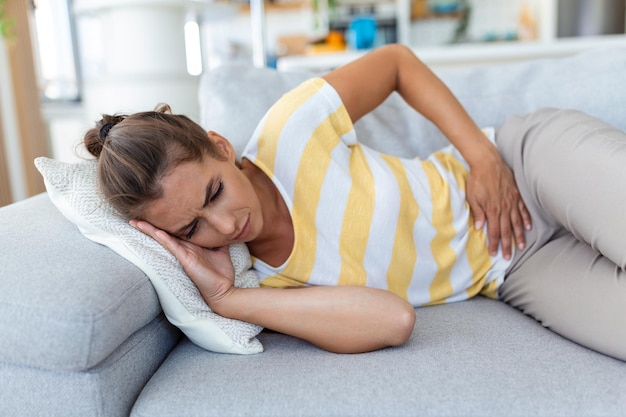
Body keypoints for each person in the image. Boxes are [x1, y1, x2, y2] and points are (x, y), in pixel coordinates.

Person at [84, 44, 626, 360]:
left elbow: (395, 62)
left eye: (214, 192)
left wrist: (482, 157)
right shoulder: (262, 281)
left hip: (524, 165)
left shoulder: (291, 130)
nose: (225, 226)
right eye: (191, 229)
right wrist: (226, 298)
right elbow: (391, 320)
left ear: (221, 148)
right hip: (513, 267)